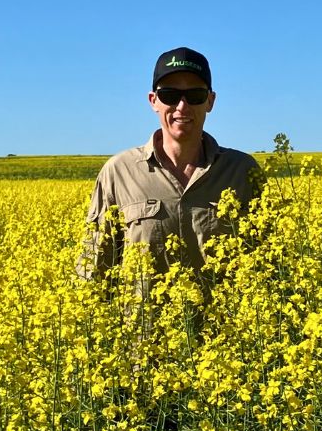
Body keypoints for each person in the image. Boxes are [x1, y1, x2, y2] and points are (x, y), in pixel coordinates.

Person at [78, 47, 262, 286]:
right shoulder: (119, 172)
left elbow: (267, 265)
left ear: (210, 101)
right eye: (169, 95)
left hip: (224, 323)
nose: (182, 106)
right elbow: (94, 272)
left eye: (195, 95)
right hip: (143, 323)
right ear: (153, 101)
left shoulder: (241, 171)